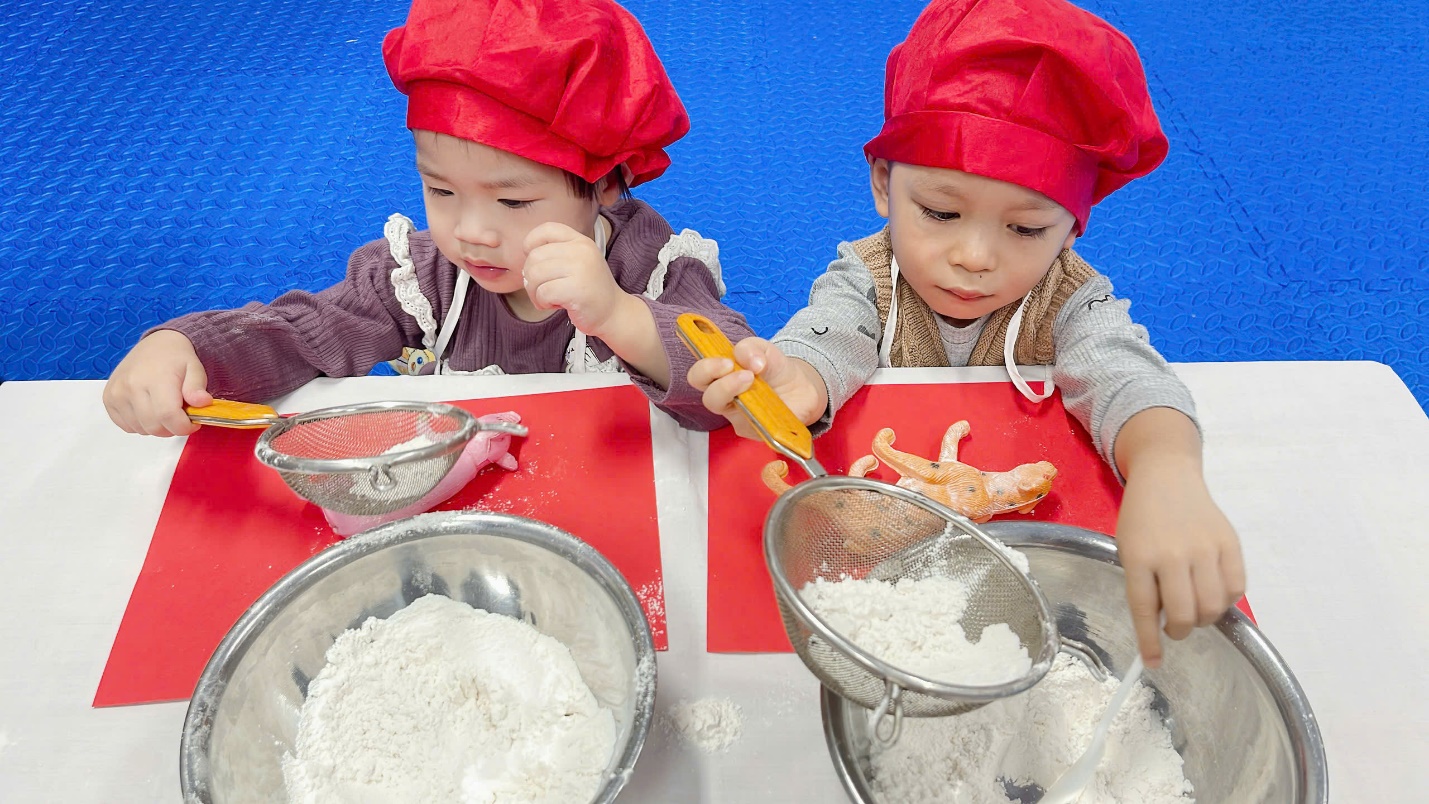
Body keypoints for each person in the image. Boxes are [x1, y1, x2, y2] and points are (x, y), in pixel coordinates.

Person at [689, 0, 1245, 667]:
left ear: (1073, 228)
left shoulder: (1068, 299)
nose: (975, 257)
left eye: (1025, 228)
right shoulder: (868, 277)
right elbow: (830, 337)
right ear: (884, 184)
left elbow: (1127, 375)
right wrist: (797, 380)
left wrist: (1167, 469)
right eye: (940, 212)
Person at [103, 0, 752, 435]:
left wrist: (618, 316)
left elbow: (733, 393)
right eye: (441, 190)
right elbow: (306, 334)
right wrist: (188, 349)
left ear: (605, 183)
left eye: (512, 202)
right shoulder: (421, 275)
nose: (471, 231)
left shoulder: (652, 268)